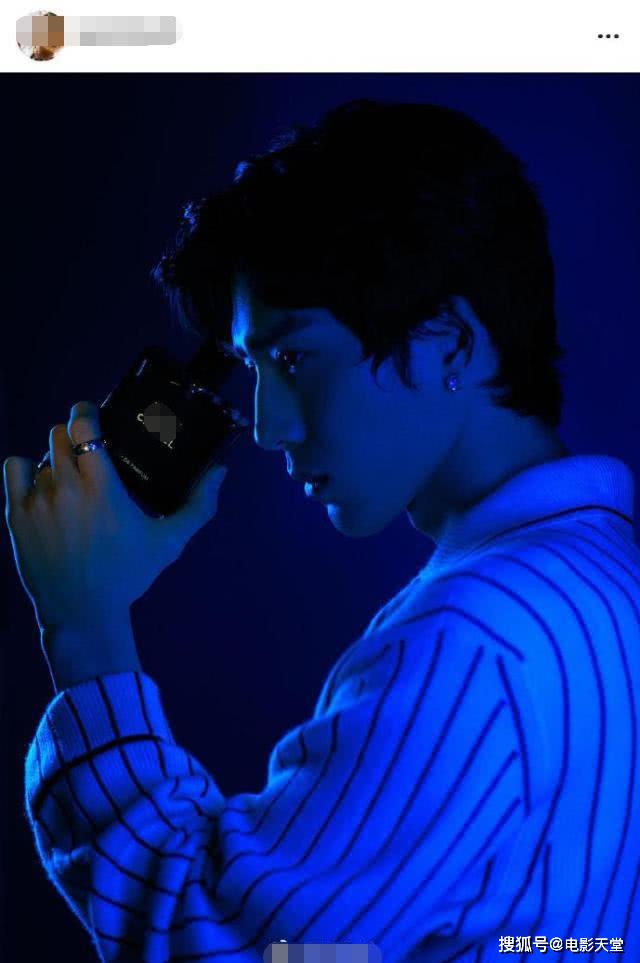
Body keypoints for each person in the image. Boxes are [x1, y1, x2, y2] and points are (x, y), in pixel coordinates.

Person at [4, 99, 639, 961]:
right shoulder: (608, 580)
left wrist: (84, 625)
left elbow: (215, 944)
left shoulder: (469, 644)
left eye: (295, 358)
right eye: (254, 367)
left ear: (450, 346)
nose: (267, 425)